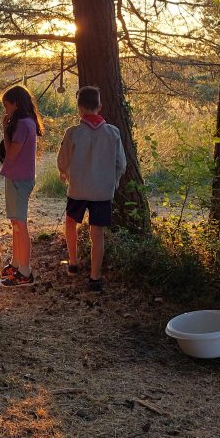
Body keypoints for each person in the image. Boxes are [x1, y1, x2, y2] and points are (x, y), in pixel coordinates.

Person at [57, 85, 127, 292]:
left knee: (71, 223)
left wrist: (65, 172)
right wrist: (111, 182)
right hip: (103, 192)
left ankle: (73, 262)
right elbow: (121, 164)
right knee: (97, 233)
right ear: (100, 107)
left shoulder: (73, 133)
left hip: (78, 189)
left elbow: (62, 161)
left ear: (79, 108)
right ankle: (95, 278)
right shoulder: (112, 132)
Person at [0, 84, 43, 286]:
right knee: (15, 223)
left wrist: (4, 130)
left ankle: (25, 272)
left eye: (6, 105)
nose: (5, 109)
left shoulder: (24, 124)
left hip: (21, 180)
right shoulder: (24, 123)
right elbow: (8, 152)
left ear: (16, 104)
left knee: (21, 224)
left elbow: (11, 153)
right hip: (15, 177)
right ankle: (16, 263)